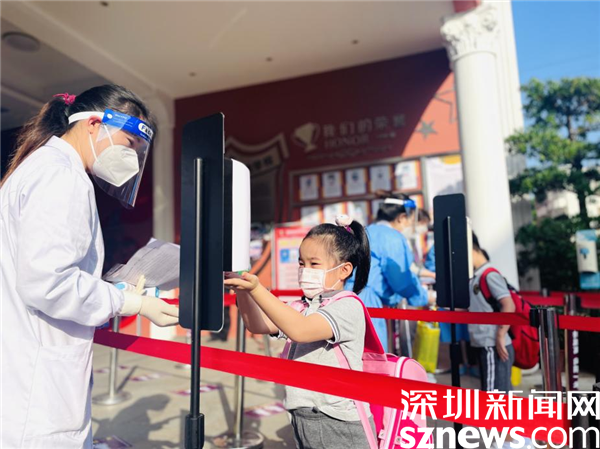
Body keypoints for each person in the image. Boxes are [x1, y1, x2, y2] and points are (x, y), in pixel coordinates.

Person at [0, 85, 179, 448]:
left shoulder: (46, 168)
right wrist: (131, 302)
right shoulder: (60, 176)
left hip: (30, 371)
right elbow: (48, 283)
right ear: (94, 124)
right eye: (129, 143)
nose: (132, 157)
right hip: (38, 389)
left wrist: (111, 288)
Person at [225, 215, 375, 449]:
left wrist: (256, 288)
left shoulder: (348, 305)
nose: (305, 270)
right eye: (302, 263)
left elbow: (300, 330)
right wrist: (243, 292)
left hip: (338, 422)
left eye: (314, 264)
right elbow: (257, 325)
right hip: (304, 417)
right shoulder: (303, 305)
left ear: (344, 270)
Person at [347, 195, 430, 351]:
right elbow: (401, 282)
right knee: (372, 355)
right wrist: (423, 296)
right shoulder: (393, 238)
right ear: (402, 218)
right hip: (368, 304)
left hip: (346, 298)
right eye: (411, 221)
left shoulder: (365, 231)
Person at [468, 233, 515, 392]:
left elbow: (508, 304)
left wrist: (500, 335)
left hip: (493, 344)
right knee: (498, 395)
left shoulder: (489, 275)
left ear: (473, 251)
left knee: (492, 397)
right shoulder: (477, 276)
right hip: (487, 344)